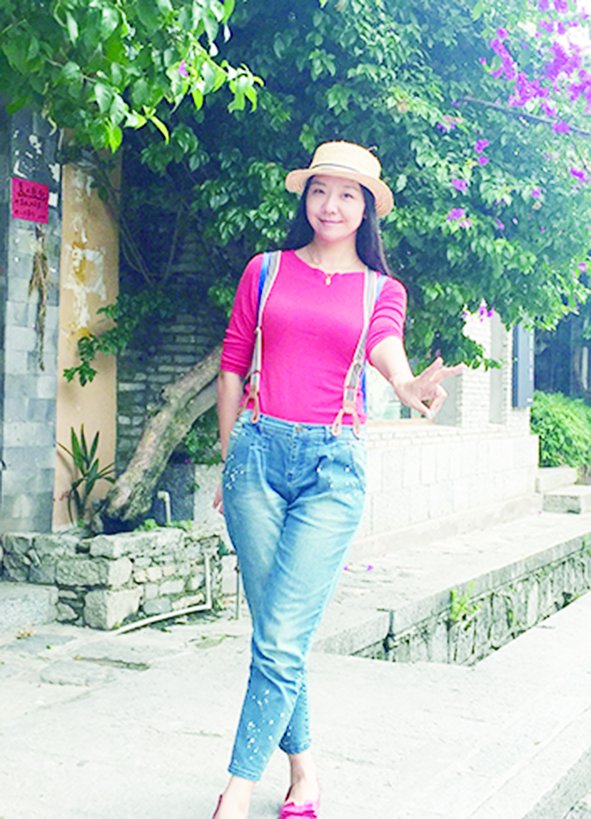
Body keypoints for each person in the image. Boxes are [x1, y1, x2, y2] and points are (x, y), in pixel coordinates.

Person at [211, 141, 463, 819]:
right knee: (277, 632)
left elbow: (385, 344)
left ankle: (236, 791)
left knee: (279, 634)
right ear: (306, 197)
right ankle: (303, 773)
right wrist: (229, 458)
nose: (331, 205)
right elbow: (233, 363)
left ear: (366, 209)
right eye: (320, 190)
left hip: (332, 468)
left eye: (348, 194)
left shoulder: (381, 289)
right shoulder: (265, 270)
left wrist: (404, 383)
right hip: (256, 458)